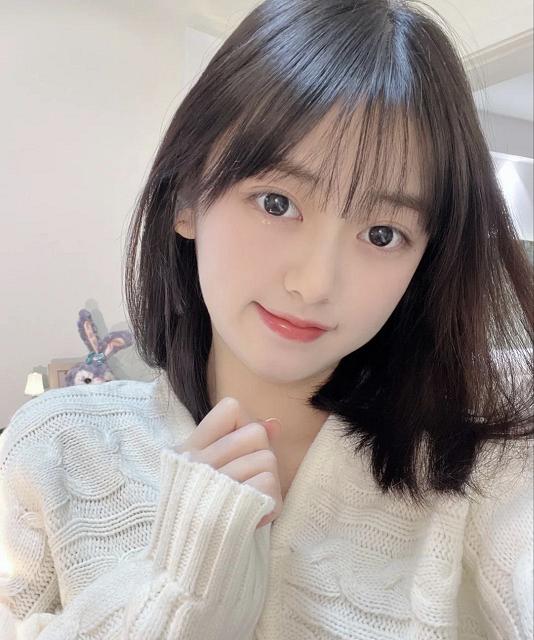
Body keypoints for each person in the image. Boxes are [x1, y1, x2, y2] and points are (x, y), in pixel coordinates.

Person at [1, 0, 533, 638]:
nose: (314, 284)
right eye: (277, 202)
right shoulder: (54, 447)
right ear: (188, 197)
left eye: (383, 234)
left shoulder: (485, 455)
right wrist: (177, 592)